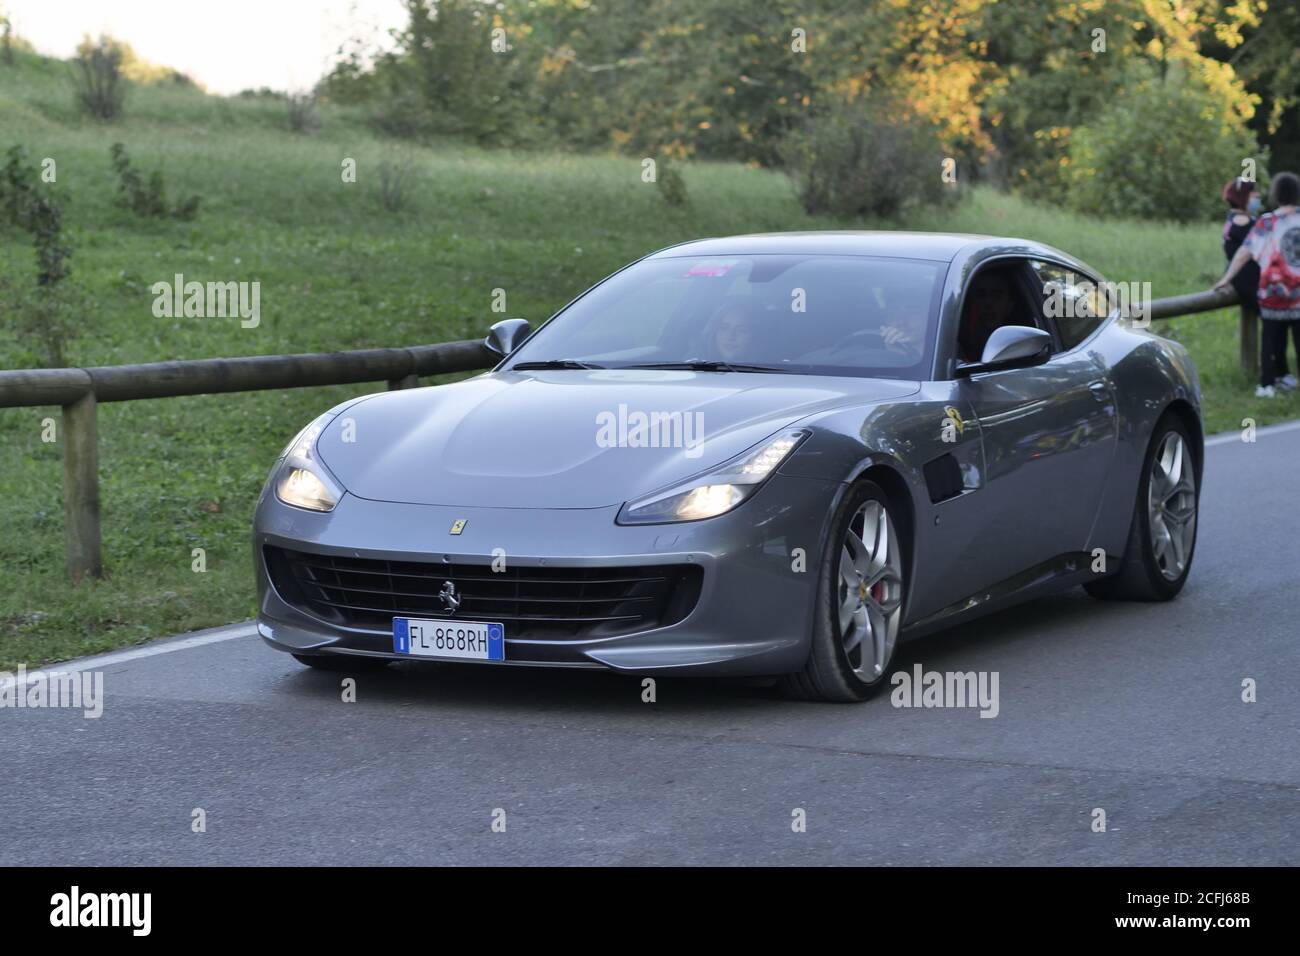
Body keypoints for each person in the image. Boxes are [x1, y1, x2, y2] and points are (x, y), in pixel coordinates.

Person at [1217, 172, 1300, 397]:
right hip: (1298, 295)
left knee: (1269, 340)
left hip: (1273, 293)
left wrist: (1226, 278)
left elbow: (1245, 252)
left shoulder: (1266, 222)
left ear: (1276, 194)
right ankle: (1287, 378)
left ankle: (1267, 385)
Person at [959, 270, 1017, 362]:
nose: (988, 303)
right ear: (971, 302)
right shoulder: (955, 345)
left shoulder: (1018, 345)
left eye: (997, 296)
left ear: (1009, 306)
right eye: (981, 295)